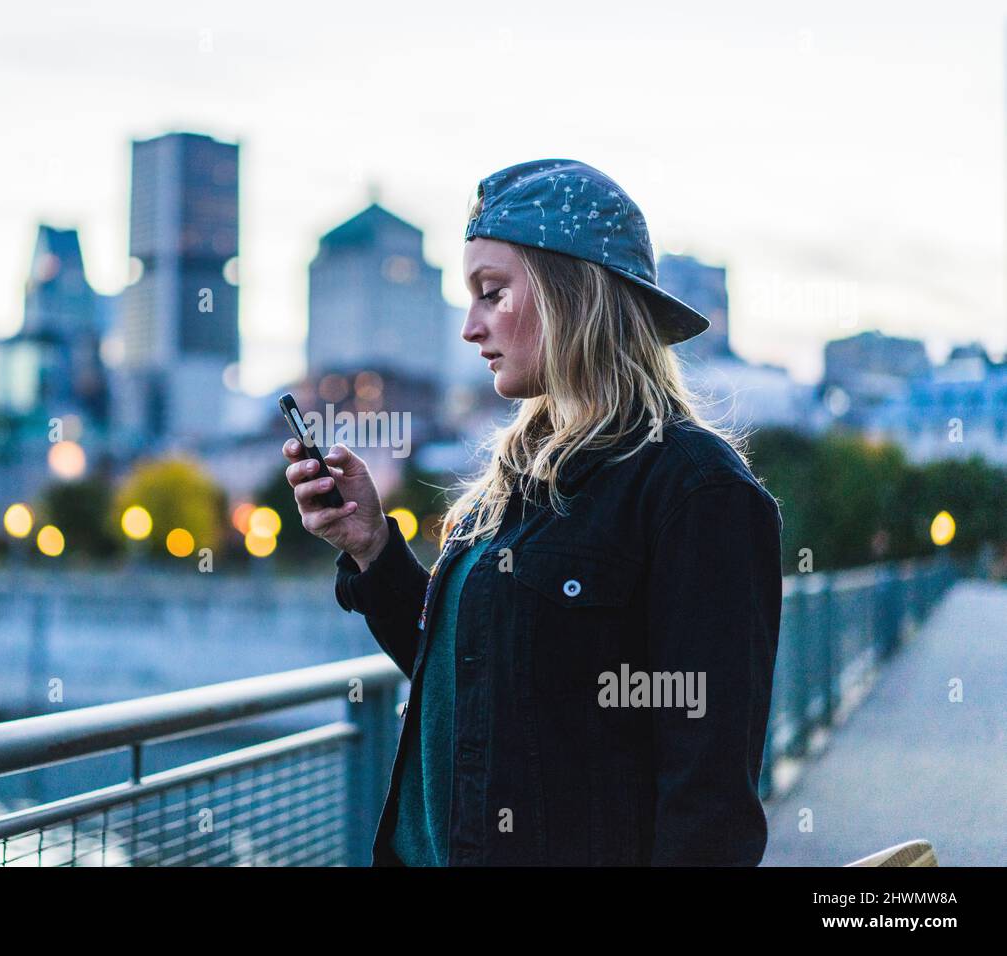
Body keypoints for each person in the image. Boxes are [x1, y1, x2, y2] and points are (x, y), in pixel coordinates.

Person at [282, 159, 784, 866]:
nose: (469, 327)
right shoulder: (511, 481)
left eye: (492, 293)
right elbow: (467, 675)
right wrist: (371, 548)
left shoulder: (696, 492)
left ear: (570, 294)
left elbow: (709, 804)